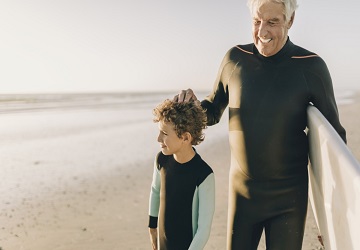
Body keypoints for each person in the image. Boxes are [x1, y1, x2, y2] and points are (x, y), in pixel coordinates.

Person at [173, 0, 347, 249]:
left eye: (273, 22)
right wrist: (188, 107)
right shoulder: (235, 59)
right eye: (257, 21)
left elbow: (334, 141)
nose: (263, 32)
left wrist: (333, 216)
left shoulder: (310, 66)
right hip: (243, 194)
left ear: (290, 21)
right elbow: (211, 111)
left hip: (289, 200)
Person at [148, 99, 215, 250]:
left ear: (185, 137)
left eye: (164, 133)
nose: (158, 139)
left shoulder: (204, 174)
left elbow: (203, 229)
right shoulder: (162, 160)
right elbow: (155, 191)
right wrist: (152, 228)